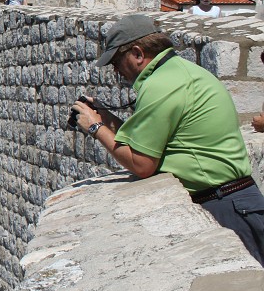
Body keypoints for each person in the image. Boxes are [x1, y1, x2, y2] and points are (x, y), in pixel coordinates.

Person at [71, 14, 264, 265]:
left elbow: (141, 163)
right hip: (236, 200)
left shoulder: (162, 84)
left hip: (226, 205)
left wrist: (95, 126)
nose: (116, 71)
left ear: (138, 54)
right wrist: (106, 118)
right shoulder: (180, 72)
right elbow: (143, 142)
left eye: (117, 61)